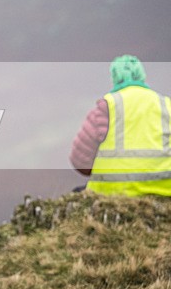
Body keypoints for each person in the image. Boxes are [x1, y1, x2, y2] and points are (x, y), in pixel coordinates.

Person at [69, 55, 171, 196]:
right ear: (142, 76)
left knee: (77, 194)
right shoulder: (166, 105)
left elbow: (80, 161)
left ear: (114, 78)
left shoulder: (107, 106)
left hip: (113, 191)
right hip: (165, 189)